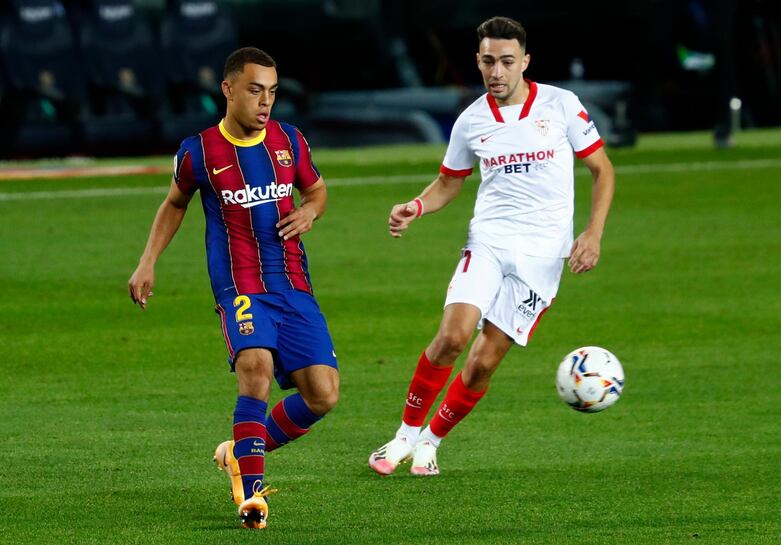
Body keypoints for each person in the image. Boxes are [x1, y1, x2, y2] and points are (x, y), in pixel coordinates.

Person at [368, 16, 615, 477]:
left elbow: (603, 169)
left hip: (542, 258)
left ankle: (430, 443)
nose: (496, 72)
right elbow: (448, 183)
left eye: (506, 61)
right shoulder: (472, 120)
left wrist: (593, 232)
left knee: (483, 362)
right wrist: (416, 207)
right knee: (453, 337)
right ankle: (402, 436)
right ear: (478, 63)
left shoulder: (562, 106)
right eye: (487, 62)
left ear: (525, 61)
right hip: (489, 241)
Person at [128, 47, 339, 528]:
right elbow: (175, 204)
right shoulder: (198, 151)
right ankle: (253, 494)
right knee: (256, 367)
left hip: (293, 285)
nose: (265, 102)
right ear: (228, 90)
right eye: (254, 90)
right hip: (239, 287)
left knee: (323, 395)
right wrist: (147, 262)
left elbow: (317, 190)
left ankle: (239, 450)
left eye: (271, 92)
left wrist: (310, 211)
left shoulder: (289, 140)